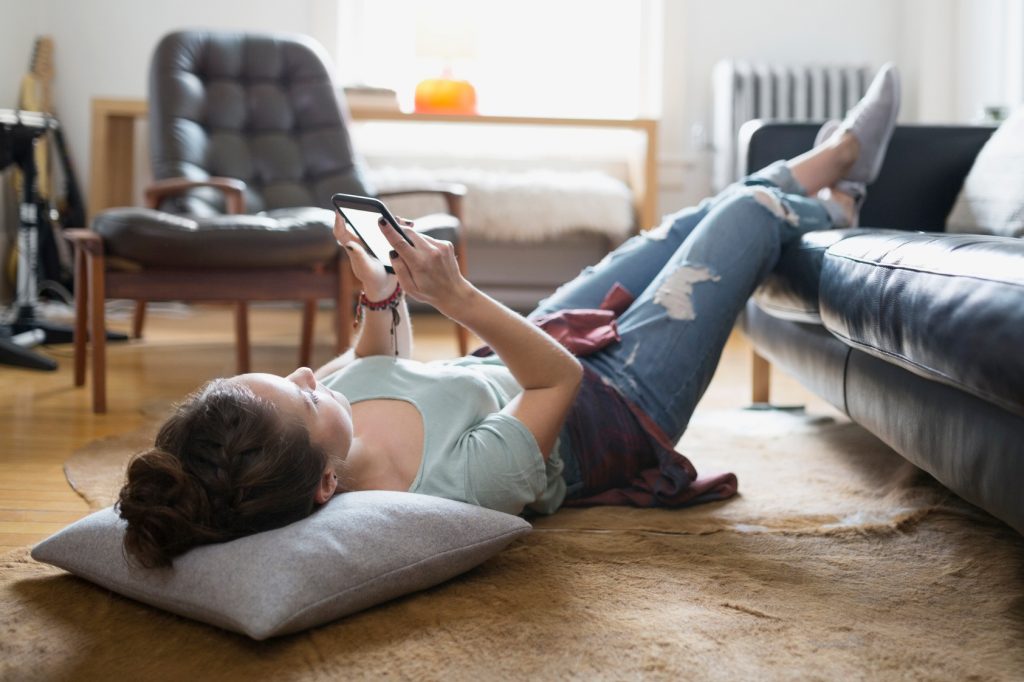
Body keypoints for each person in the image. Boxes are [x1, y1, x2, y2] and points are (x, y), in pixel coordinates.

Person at [117, 65, 901, 567]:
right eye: (308, 393)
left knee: (680, 226)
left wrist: (381, 290)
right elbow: (556, 383)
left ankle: (834, 190)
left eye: (292, 379)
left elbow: (375, 358)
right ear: (325, 489)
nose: (306, 374)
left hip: (525, 353)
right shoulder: (447, 490)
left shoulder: (313, 426)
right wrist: (454, 297)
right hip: (617, 403)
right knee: (752, 210)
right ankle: (831, 174)